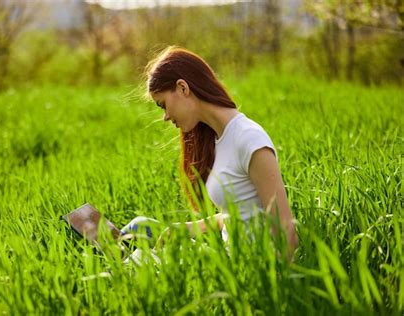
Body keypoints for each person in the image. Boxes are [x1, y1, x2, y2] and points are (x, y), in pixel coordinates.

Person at [123, 46, 298, 259]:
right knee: (138, 226)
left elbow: (286, 229)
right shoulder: (216, 138)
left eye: (163, 105)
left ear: (183, 88)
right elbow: (241, 213)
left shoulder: (249, 139)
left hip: (242, 269)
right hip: (224, 258)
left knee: (139, 257)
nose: (166, 116)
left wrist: (273, 288)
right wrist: (186, 228)